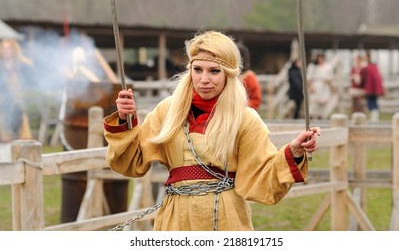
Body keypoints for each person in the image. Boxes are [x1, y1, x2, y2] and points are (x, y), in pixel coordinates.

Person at [103, 30, 320, 231]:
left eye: (214, 71)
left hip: (226, 219)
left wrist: (294, 151)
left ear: (228, 74)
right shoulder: (167, 111)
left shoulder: (244, 118)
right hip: (175, 219)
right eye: (197, 70)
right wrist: (124, 120)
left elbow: (263, 176)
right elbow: (131, 162)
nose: (204, 79)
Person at [0, 38, 34, 161]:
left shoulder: (22, 66)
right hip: (3, 111)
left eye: (9, 48)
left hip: (19, 109)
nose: (5, 51)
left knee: (22, 143)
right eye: (3, 48)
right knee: (5, 141)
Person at [307, 52, 335, 119]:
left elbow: (330, 78)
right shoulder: (312, 66)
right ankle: (311, 117)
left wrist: (332, 88)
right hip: (315, 85)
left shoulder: (328, 66)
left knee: (323, 104)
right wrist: (310, 86)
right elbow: (309, 77)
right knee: (313, 104)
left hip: (325, 86)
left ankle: (321, 118)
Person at [237, 42, 262, 110]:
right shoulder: (230, 76)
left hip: (244, 113)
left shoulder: (249, 77)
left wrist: (243, 108)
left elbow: (256, 100)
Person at [360, 51, 384, 122]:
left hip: (371, 88)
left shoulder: (369, 67)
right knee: (371, 103)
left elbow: (364, 77)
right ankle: (373, 118)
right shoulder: (372, 66)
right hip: (373, 88)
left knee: (372, 103)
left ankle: (374, 119)